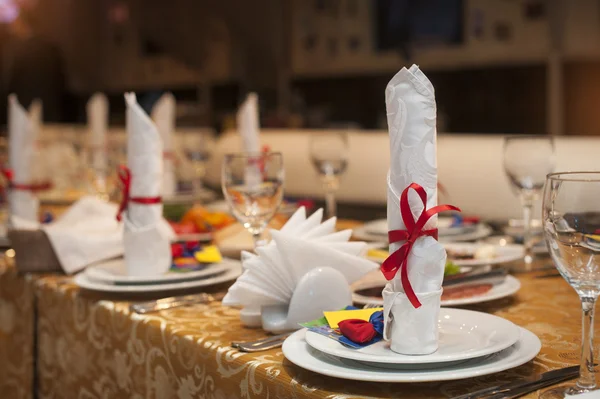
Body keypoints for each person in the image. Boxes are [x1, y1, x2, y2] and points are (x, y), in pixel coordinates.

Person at [2, 7, 65, 122]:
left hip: (21, 112)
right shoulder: (50, 48)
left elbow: (6, 83)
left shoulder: (16, 50)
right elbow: (61, 80)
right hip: (49, 110)